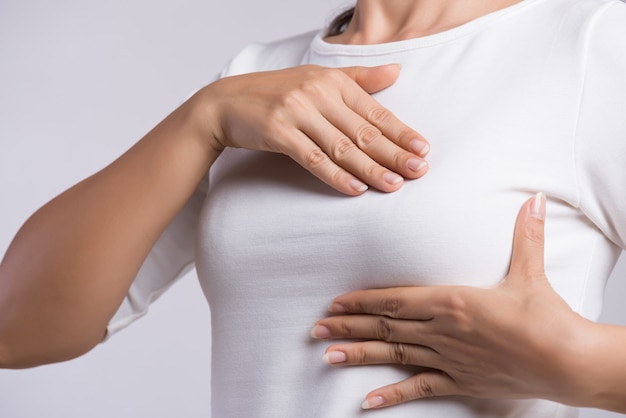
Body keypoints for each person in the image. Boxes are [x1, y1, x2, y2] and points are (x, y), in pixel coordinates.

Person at [1, 0, 626, 417]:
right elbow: (16, 329)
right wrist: (200, 119)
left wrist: (576, 365)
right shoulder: (257, 76)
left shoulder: (592, 46)